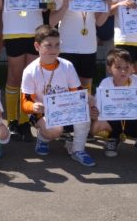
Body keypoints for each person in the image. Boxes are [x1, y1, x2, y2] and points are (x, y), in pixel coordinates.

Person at [0, 0, 52, 141]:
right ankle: (11, 120)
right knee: (14, 76)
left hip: (34, 31)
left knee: (32, 79)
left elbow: (46, 6)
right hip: (13, 31)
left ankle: (25, 121)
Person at [21, 25, 96, 166]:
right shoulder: (30, 71)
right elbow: (25, 103)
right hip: (42, 114)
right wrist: (34, 106)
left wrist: (87, 98)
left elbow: (77, 91)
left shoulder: (67, 66)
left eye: (57, 45)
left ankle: (77, 150)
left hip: (64, 109)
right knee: (54, 131)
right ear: (37, 46)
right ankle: (43, 138)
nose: (54, 50)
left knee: (84, 109)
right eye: (48, 45)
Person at [50, 0, 112, 90]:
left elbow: (99, 22)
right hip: (67, 46)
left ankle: (85, 112)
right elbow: (52, 22)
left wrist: (107, 7)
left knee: (85, 86)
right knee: (66, 86)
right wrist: (65, 5)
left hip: (88, 47)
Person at [89, 48, 137, 162]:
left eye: (126, 67)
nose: (123, 71)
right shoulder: (105, 83)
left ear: (132, 67)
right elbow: (98, 110)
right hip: (113, 122)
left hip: (135, 122)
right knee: (95, 127)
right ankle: (112, 139)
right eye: (118, 67)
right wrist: (95, 113)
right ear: (109, 68)